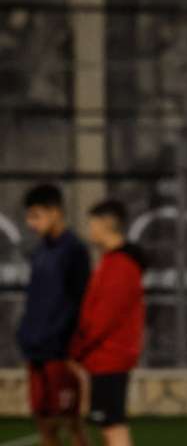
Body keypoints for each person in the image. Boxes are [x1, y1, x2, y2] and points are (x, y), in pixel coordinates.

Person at [68, 199, 147, 446]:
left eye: (92, 223)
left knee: (113, 426)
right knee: (108, 425)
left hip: (110, 358)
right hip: (105, 358)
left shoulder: (121, 266)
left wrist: (77, 350)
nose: (89, 229)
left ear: (105, 224)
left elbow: (103, 318)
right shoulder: (112, 261)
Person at [18, 183, 90, 446]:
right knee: (43, 421)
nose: (30, 223)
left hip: (61, 353)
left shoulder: (75, 251)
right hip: (35, 349)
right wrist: (26, 334)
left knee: (71, 423)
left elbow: (81, 302)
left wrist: (72, 347)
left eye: (35, 215)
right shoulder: (40, 252)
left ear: (55, 212)